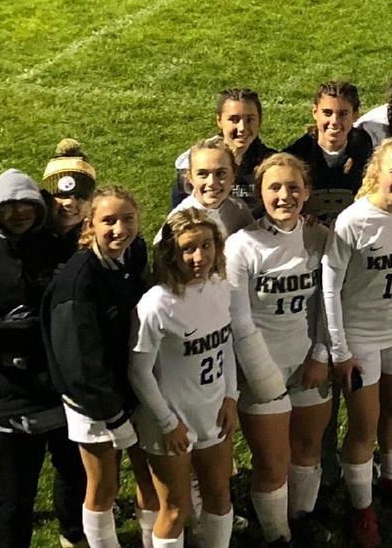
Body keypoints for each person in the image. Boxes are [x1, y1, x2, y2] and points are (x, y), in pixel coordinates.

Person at [322, 139, 392, 546]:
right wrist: (340, 349)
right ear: (377, 172)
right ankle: (361, 508)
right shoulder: (353, 220)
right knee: (363, 426)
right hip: (361, 336)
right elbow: (329, 287)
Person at [224, 153, 334, 546]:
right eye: (274, 187)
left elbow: (331, 303)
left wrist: (321, 355)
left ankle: (301, 517)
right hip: (263, 369)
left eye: (293, 187)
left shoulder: (320, 238)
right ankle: (277, 536)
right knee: (271, 462)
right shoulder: (241, 246)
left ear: (307, 192)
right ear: (259, 194)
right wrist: (263, 375)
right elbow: (238, 319)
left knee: (307, 450)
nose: (284, 195)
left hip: (309, 365)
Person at [42, 185, 159, 548]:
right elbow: (79, 366)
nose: (119, 229)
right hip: (92, 401)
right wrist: (114, 416)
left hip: (125, 388)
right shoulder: (78, 284)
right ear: (90, 225)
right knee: (104, 486)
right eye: (108, 221)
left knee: (148, 476)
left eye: (127, 219)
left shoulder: (129, 256)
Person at [130, 208, 238, 548]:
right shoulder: (156, 305)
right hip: (170, 422)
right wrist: (166, 422)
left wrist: (231, 396)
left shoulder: (220, 287)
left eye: (206, 246)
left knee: (220, 497)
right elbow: (138, 370)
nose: (199, 257)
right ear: (171, 253)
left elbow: (226, 344)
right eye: (188, 248)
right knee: (176, 508)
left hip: (213, 413)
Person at [0, 169, 87, 548]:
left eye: (26, 205)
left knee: (73, 474)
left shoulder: (54, 245)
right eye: (9, 206)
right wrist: (31, 328)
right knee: (15, 496)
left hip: (60, 389)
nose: (18, 213)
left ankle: (73, 535)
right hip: (8, 397)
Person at [283, 80, 374, 227]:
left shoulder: (364, 147)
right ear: (315, 112)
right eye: (327, 113)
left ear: (355, 115)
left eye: (343, 114)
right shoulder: (296, 155)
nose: (334, 121)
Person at [171, 88, 277, 214]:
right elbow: (178, 221)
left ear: (259, 121)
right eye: (234, 119)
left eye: (250, 119)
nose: (242, 128)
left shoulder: (272, 165)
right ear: (219, 121)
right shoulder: (196, 163)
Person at [161, 137, 254, 242]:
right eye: (202, 174)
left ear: (233, 175)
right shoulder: (178, 222)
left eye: (221, 173)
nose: (212, 183)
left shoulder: (239, 209)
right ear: (190, 177)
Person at [39, 138, 98, 261]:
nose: (69, 203)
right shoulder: (25, 236)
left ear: (91, 202)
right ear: (45, 198)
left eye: (79, 196)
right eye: (61, 195)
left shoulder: (100, 240)